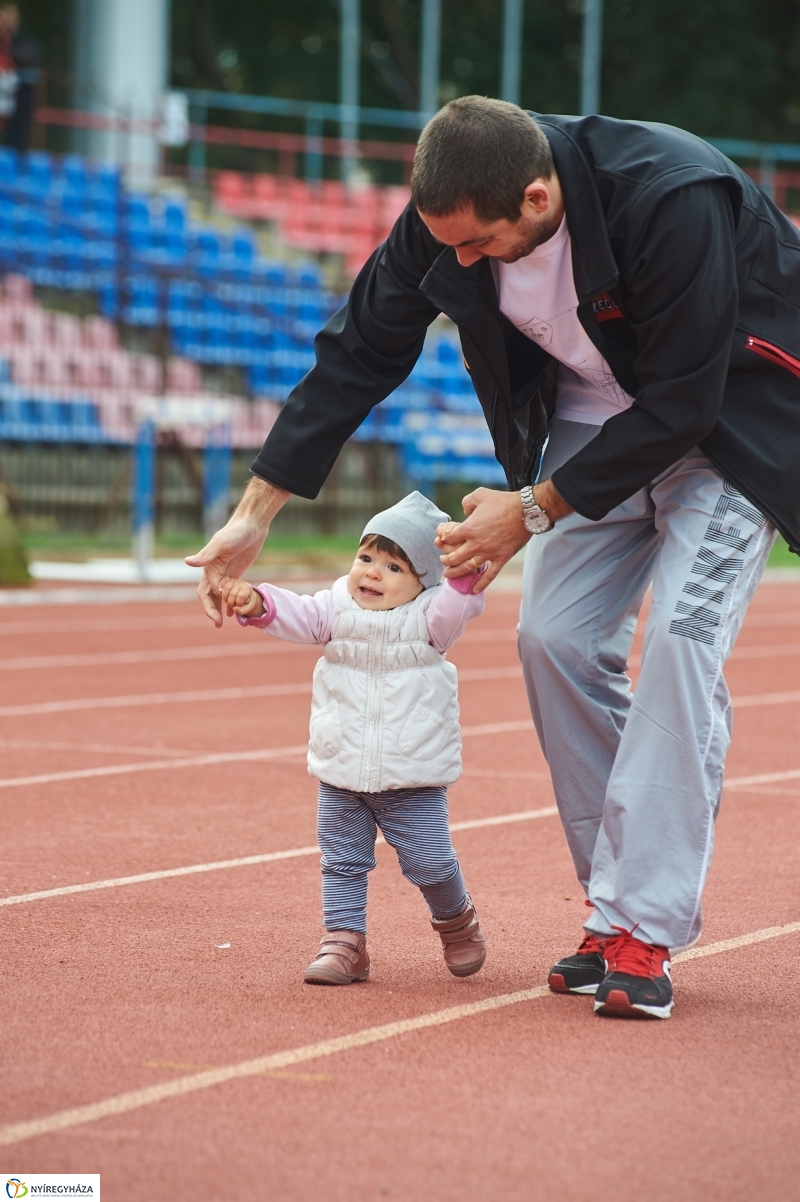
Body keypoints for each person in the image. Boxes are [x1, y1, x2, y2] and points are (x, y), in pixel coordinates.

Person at [188, 97, 800, 1020]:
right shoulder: (447, 225)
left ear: (539, 195)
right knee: (550, 640)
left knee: (680, 638)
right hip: (594, 428)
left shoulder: (671, 195)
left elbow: (683, 400)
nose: (459, 264)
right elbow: (359, 351)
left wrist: (532, 508)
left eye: (478, 246)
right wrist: (254, 511)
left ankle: (645, 926)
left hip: (726, 427)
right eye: (447, 246)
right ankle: (612, 906)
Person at [218, 492, 488, 986]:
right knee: (341, 858)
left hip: (412, 774)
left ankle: (456, 921)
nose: (371, 573)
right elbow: (296, 614)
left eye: (393, 567)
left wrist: (467, 567)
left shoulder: (432, 620)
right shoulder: (335, 608)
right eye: (366, 558)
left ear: (424, 581)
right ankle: (344, 942)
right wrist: (259, 602)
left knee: (430, 861)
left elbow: (459, 599)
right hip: (342, 766)